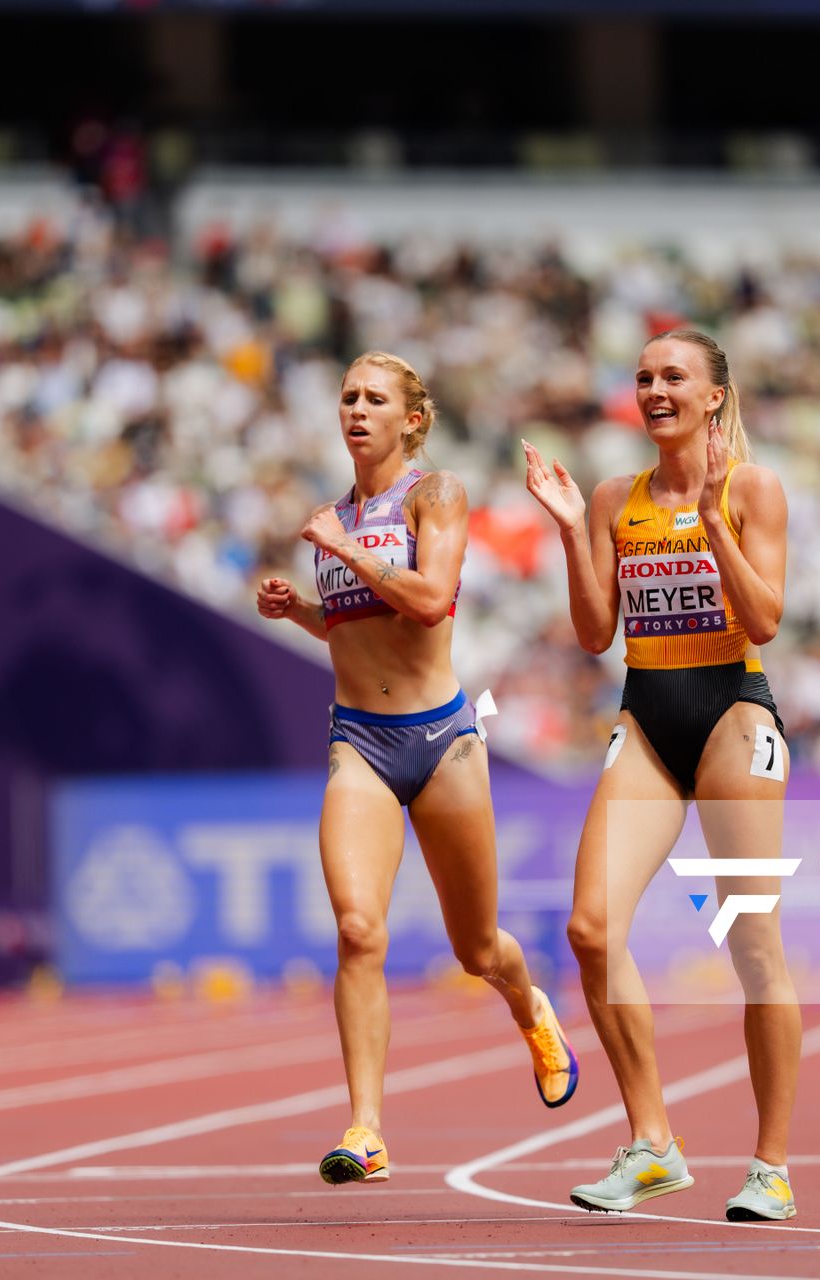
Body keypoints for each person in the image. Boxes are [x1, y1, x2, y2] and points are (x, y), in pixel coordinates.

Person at [256, 351, 577, 1187]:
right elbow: (357, 625)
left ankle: (529, 1003)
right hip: (357, 739)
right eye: (347, 397)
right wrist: (303, 612)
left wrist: (342, 551)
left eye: (375, 399)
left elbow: (431, 601)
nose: (357, 410)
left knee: (476, 949)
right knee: (359, 930)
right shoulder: (336, 512)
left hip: (442, 741)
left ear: (412, 419)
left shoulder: (436, 495)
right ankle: (366, 1129)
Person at [522, 328, 799, 1222]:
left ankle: (771, 1167)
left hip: (731, 709)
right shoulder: (613, 497)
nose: (654, 390)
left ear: (715, 395)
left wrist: (716, 520)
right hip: (647, 713)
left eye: (673, 377)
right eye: (643, 378)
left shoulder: (754, 488)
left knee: (753, 944)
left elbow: (766, 617)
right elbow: (596, 633)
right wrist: (572, 531)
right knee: (590, 928)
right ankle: (653, 1144)